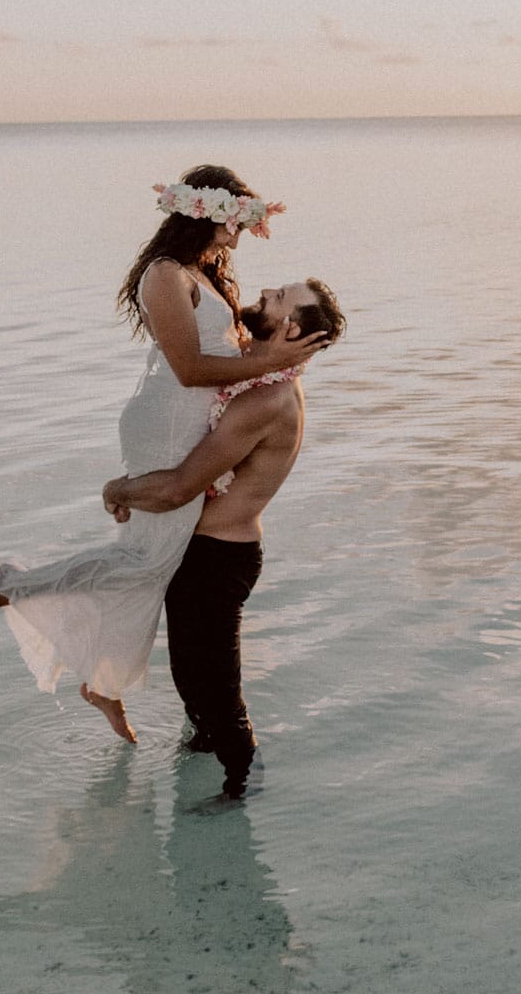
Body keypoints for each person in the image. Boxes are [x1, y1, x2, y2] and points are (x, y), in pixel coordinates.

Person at [0, 165, 326, 745]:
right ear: (206, 212)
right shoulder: (164, 276)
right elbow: (189, 369)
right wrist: (273, 364)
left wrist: (272, 362)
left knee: (152, 562)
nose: (243, 232)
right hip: (167, 419)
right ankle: (13, 586)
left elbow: (225, 354)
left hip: (191, 418)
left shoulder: (204, 271)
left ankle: (104, 682)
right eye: (239, 218)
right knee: (151, 559)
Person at [103, 277, 347, 796]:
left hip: (218, 559)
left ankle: (243, 789)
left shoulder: (267, 400)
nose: (264, 294)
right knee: (191, 682)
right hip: (199, 552)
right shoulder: (252, 376)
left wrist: (120, 488)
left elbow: (179, 488)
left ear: (291, 328)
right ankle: (201, 756)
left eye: (278, 299)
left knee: (218, 694)